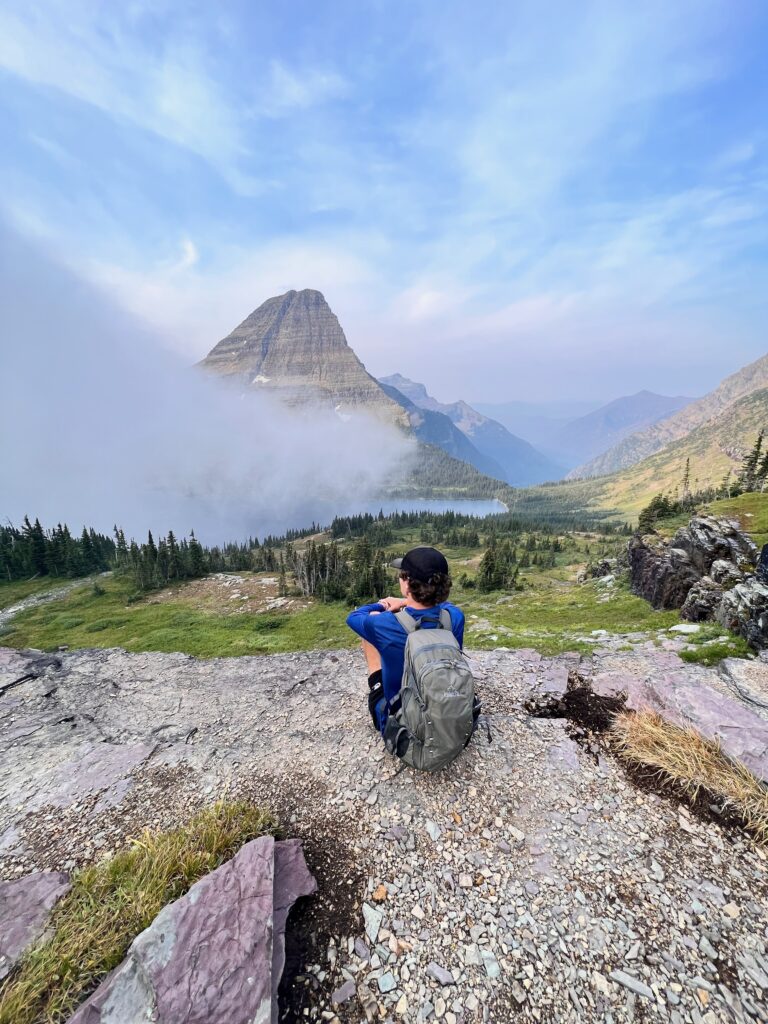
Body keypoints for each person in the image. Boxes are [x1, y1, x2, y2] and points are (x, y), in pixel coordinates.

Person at [346, 545, 465, 734]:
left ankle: (378, 687)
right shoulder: (454, 616)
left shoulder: (384, 624)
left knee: (371, 629)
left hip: (402, 724)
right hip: (445, 709)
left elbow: (354, 617)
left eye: (402, 574)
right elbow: (443, 604)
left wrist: (384, 604)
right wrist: (406, 601)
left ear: (407, 583)